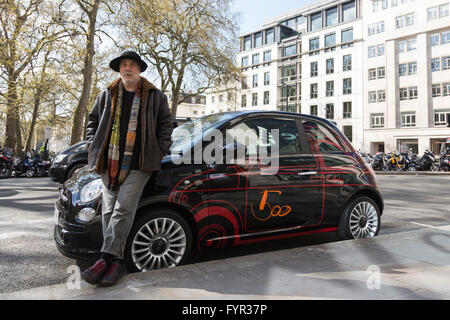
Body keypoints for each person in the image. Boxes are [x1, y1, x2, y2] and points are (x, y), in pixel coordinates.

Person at [81, 50, 173, 286]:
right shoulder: (107, 94)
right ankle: (118, 262)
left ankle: (103, 258)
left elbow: (166, 126)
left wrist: (158, 150)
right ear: (119, 69)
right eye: (123, 64)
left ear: (139, 69)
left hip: (138, 165)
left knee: (122, 210)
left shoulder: (155, 96)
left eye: (132, 64)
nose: (127, 68)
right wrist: (93, 144)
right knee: (109, 212)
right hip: (108, 164)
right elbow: (92, 121)